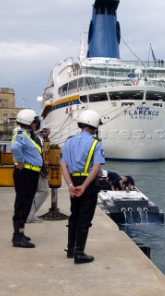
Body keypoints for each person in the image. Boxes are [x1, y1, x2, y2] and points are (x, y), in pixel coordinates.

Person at [61, 109, 105, 264]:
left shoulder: (69, 141)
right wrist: (85, 186)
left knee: (74, 215)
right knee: (84, 217)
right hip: (88, 183)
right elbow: (96, 168)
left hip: (73, 180)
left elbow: (64, 166)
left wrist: (71, 185)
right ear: (94, 126)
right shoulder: (96, 143)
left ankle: (70, 249)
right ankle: (80, 253)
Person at [11, 109, 43, 248]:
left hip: (30, 174)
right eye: (35, 122)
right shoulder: (21, 135)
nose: (37, 124)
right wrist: (19, 161)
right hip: (25, 173)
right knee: (22, 204)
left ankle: (20, 233)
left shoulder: (28, 135)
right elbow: (15, 147)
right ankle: (17, 237)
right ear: (29, 122)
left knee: (26, 204)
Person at [27, 121, 49, 223]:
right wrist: (44, 170)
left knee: (32, 192)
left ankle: (28, 213)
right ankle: (29, 214)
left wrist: (45, 137)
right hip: (36, 169)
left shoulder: (28, 136)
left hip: (29, 169)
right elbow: (38, 156)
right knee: (44, 191)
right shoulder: (34, 138)